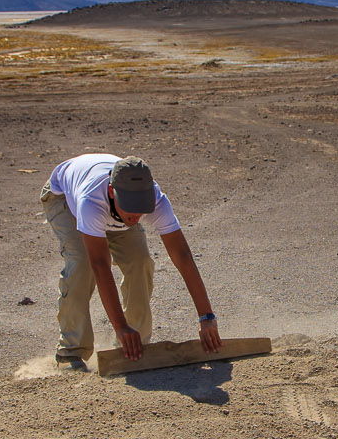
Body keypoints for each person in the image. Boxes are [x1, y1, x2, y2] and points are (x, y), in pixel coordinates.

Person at [41, 153, 222, 367]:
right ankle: (71, 350)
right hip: (64, 197)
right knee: (83, 263)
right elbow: (100, 265)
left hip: (111, 212)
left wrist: (206, 316)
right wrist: (120, 325)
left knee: (140, 261)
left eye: (141, 206)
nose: (136, 215)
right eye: (131, 205)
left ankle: (135, 345)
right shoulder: (90, 201)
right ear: (112, 192)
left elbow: (182, 256)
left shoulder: (155, 200)